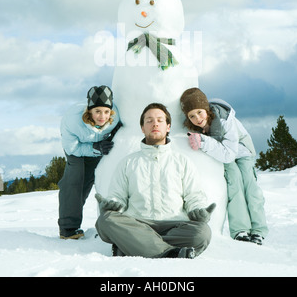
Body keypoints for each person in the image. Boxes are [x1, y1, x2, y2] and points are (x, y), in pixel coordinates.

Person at [95, 102, 215, 259]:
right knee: (105, 221)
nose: (155, 124)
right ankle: (170, 252)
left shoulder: (182, 161)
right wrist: (113, 204)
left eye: (160, 120)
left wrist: (197, 210)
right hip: (137, 223)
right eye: (149, 120)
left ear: (168, 126)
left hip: (175, 224)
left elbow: (194, 196)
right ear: (142, 128)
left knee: (202, 233)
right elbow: (117, 195)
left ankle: (133, 246)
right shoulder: (128, 162)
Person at [180, 87, 268, 245]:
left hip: (241, 152)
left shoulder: (225, 120)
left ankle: (258, 230)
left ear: (206, 109)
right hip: (223, 156)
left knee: (250, 187)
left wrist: (205, 142)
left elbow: (230, 154)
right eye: (191, 116)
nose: (197, 118)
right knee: (234, 185)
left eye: (200, 112)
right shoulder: (196, 127)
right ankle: (240, 230)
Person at [58, 85, 122, 239]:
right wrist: (95, 147)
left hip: (97, 149)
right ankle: (68, 229)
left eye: (106, 111)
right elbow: (72, 148)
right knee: (73, 182)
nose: (102, 116)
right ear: (89, 111)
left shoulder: (115, 119)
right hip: (76, 149)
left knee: (86, 184)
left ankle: (75, 219)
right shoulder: (73, 120)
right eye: (97, 111)